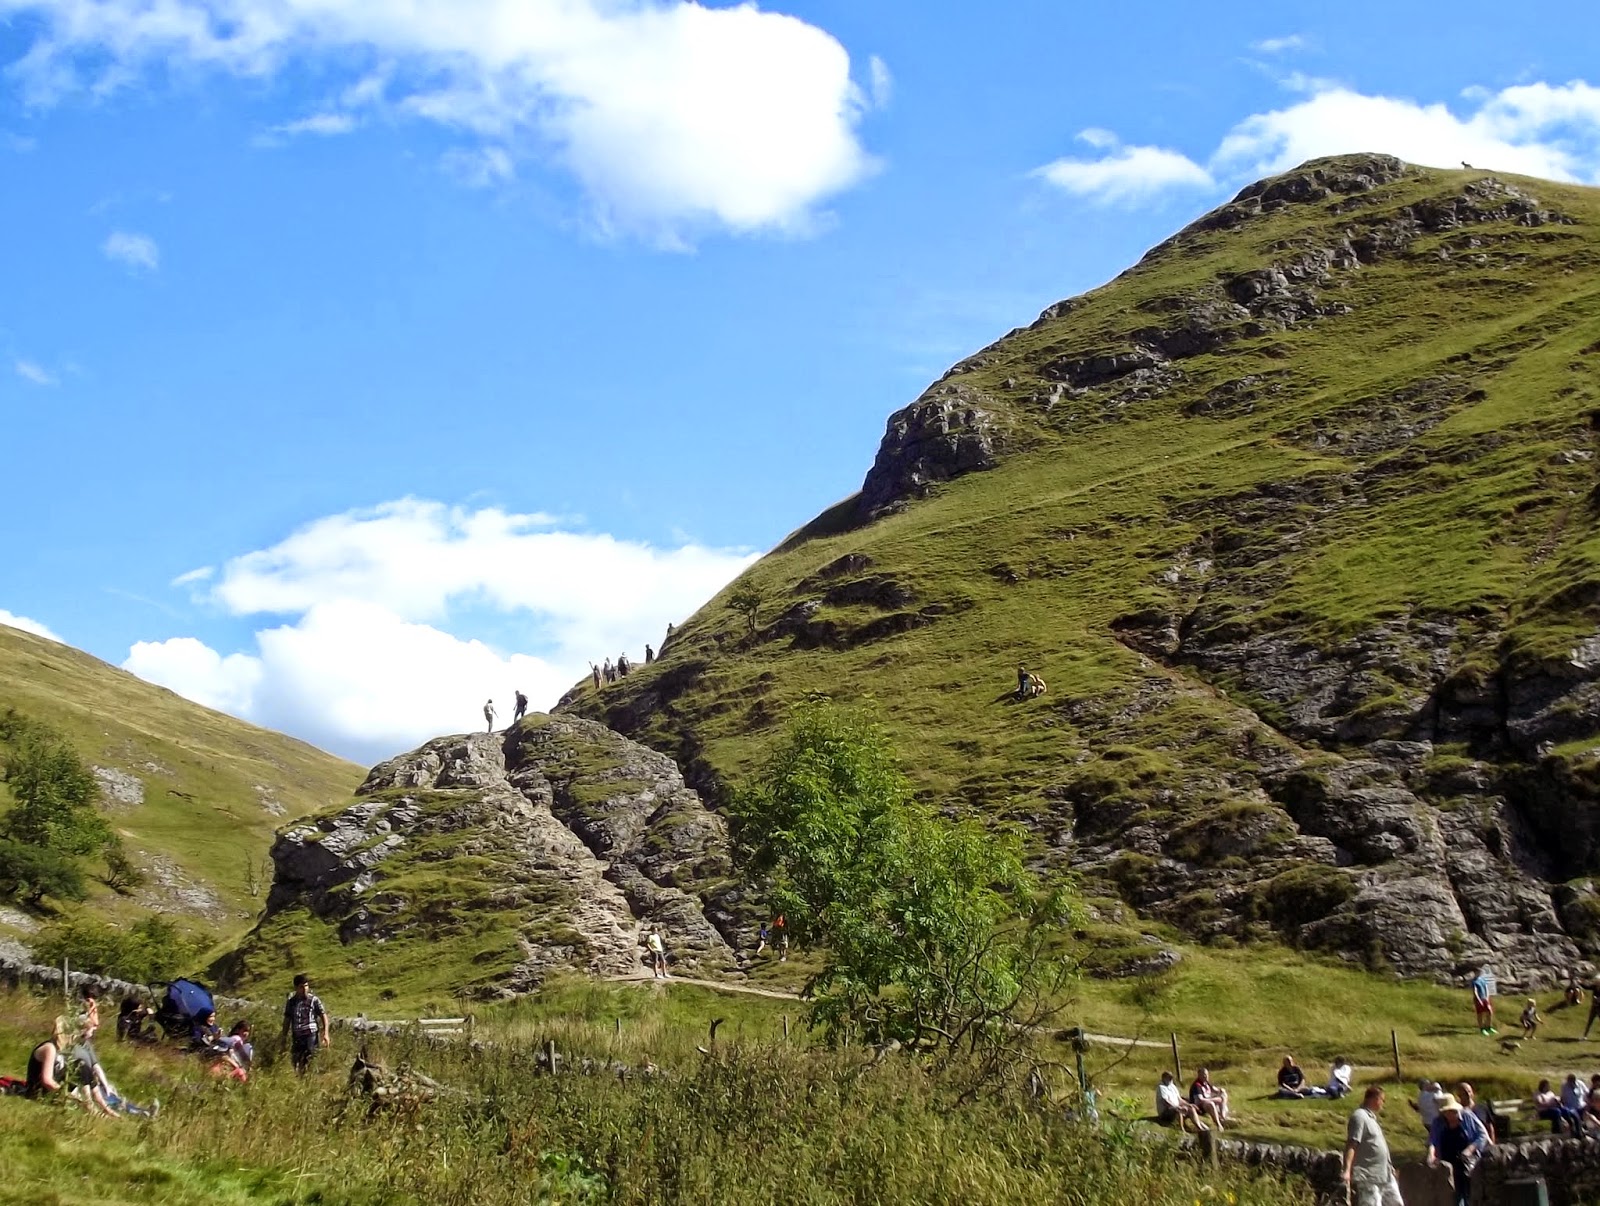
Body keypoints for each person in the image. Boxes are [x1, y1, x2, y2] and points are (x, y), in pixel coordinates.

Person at [1344, 1084, 1403, 1206]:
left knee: (1396, 1203)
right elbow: (1352, 1144)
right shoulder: (1359, 1117)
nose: (1383, 1103)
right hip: (1368, 1175)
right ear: (1374, 1099)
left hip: (1384, 1174)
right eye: (1382, 1100)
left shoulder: (1371, 1119)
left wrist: (1389, 1166)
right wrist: (1347, 1170)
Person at [1427, 1094, 1489, 1206]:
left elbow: (1482, 1135)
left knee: (1472, 1196)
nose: (1446, 1114)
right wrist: (1431, 1154)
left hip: (1468, 1164)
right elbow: (1433, 1141)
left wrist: (1470, 1149)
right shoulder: (1438, 1122)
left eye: (1449, 1111)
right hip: (1448, 1166)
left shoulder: (1467, 1117)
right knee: (1453, 1197)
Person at [281, 973, 329, 1074]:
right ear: (296, 988)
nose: (304, 989)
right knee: (297, 1061)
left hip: (310, 1035)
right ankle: (301, 1081)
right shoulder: (291, 1002)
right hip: (297, 1035)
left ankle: (310, 1078)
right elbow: (287, 1020)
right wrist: (284, 1037)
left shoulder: (314, 1000)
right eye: (301, 987)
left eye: (306, 986)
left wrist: (326, 1033)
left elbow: (323, 1015)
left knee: (310, 1058)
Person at [1470, 968, 1495, 1035]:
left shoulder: (1482, 980)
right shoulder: (1474, 981)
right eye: (1478, 972)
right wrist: (1479, 1000)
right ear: (1475, 973)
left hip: (1485, 998)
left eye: (1480, 972)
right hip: (1479, 999)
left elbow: (1486, 988)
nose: (1479, 973)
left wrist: (1487, 997)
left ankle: (1488, 1027)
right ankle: (1482, 1029)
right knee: (1480, 1014)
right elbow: (1475, 991)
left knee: (1489, 1012)